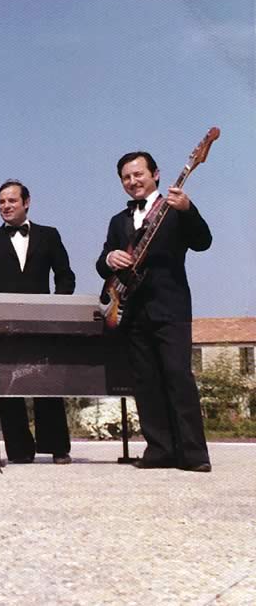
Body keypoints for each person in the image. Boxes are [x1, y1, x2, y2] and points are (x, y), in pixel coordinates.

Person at [96, 152, 212, 472]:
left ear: (156, 174)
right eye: (126, 177)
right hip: (131, 310)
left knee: (178, 377)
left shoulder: (175, 210)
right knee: (145, 382)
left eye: (138, 174)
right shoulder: (118, 221)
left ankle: (193, 454)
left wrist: (188, 209)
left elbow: (203, 241)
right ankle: (160, 450)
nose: (133, 181)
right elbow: (101, 263)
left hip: (170, 308)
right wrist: (110, 258)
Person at [0, 180, 76, 464]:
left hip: (44, 323)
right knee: (9, 386)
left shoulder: (49, 235)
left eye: (12, 201)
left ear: (26, 202)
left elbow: (65, 275)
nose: (6, 206)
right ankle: (19, 450)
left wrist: (57, 308)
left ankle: (57, 447)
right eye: (1, 202)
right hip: (3, 325)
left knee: (48, 383)